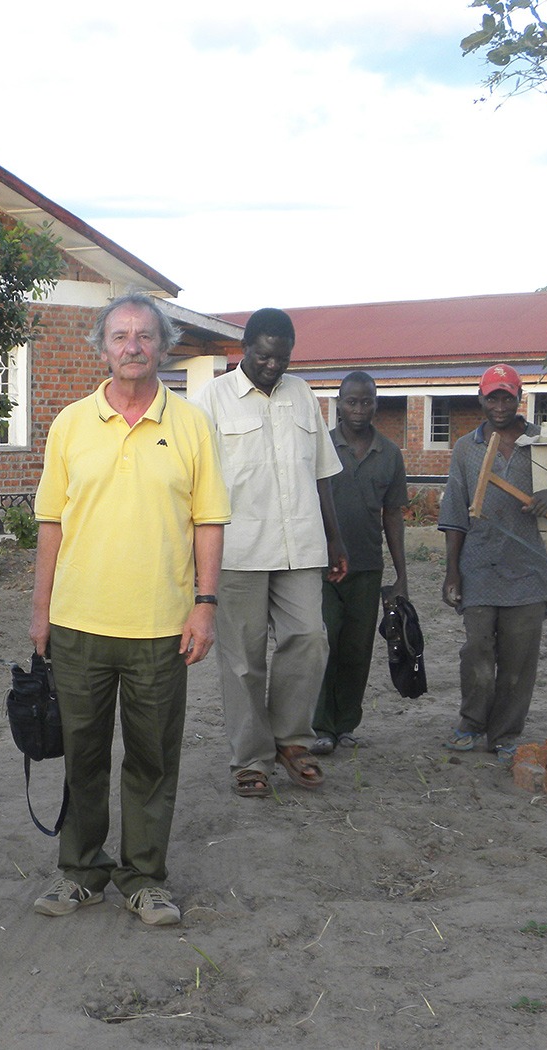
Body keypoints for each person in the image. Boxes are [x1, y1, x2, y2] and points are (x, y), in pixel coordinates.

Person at [29, 293, 229, 927]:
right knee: (81, 752)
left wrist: (204, 605)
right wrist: (41, 613)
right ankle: (81, 872)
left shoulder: (193, 425)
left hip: (161, 628)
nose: (133, 346)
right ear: (103, 345)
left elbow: (209, 521)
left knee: (151, 756)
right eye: (121, 336)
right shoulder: (70, 425)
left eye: (145, 335)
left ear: (162, 344)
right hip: (79, 624)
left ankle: (144, 877)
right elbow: (50, 525)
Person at [192, 307, 347, 799]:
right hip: (236, 550)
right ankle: (250, 759)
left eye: (282, 358)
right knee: (243, 661)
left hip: (301, 545)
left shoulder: (302, 395)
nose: (273, 366)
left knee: (309, 637)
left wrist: (335, 538)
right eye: (263, 356)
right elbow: (195, 487)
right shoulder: (210, 401)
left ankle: (291, 740)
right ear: (245, 349)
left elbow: (321, 473)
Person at [438, 363, 547, 763]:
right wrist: (452, 572)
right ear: (481, 399)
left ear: (518, 398)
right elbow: (454, 512)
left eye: (507, 396)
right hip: (479, 567)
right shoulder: (467, 448)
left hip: (528, 568)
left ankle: (504, 734)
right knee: (477, 652)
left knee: (519, 658)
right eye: (492, 396)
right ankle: (471, 724)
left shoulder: (542, 442)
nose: (499, 404)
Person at [310, 372, 409, 755]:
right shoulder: (321, 447)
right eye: (351, 402)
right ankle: (320, 726)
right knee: (324, 641)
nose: (358, 409)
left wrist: (401, 574)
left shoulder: (390, 454)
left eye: (366, 402)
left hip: (367, 567)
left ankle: (346, 724)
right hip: (321, 566)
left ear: (376, 404)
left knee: (356, 648)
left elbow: (393, 516)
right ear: (339, 403)